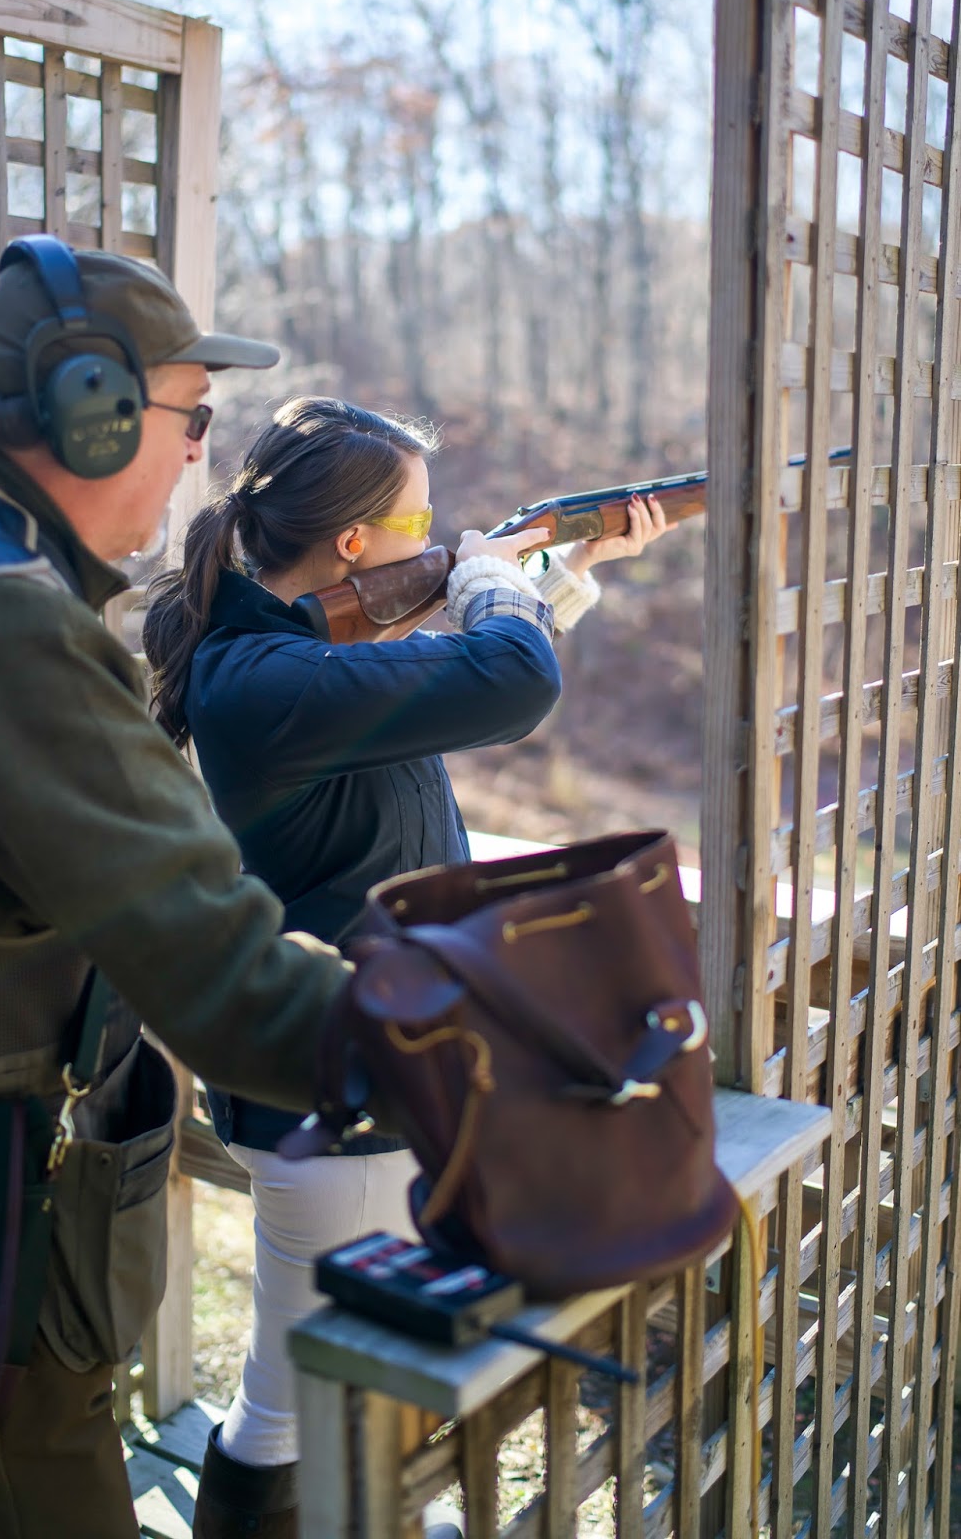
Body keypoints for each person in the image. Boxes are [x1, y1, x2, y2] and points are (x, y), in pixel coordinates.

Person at [0, 240, 388, 1539]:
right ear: (88, 411)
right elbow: (220, 971)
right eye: (186, 416)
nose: (192, 457)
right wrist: (469, 1052)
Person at [142, 395, 672, 1539]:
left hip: (347, 1078)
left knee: (312, 1389)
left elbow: (449, 683)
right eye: (420, 513)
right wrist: (489, 583)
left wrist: (559, 567)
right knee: (291, 1401)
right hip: (329, 1095)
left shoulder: (277, 657)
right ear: (350, 546)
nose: (438, 530)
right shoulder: (260, 679)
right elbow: (505, 683)